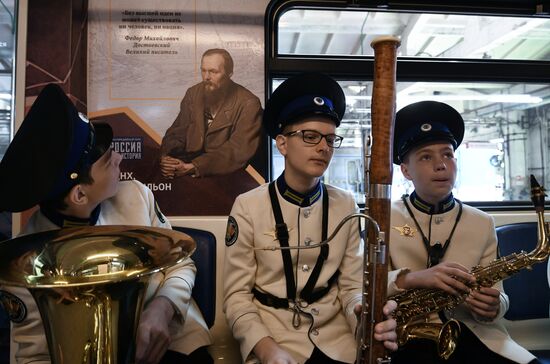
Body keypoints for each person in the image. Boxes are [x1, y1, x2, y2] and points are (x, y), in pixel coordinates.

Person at [0, 84, 213, 364]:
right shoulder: (25, 264)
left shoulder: (136, 195)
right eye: (107, 161)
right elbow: (35, 355)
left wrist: (162, 307)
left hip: (172, 342)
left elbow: (181, 263)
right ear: (79, 194)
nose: (119, 158)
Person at [223, 72, 398, 364]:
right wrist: (266, 348)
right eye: (310, 136)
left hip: (336, 338)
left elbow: (352, 288)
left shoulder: (345, 204)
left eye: (330, 139)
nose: (323, 147)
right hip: (273, 337)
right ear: (282, 144)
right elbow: (236, 297)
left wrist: (363, 323)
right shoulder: (248, 206)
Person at [387, 100, 537, 364]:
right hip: (406, 335)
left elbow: (499, 294)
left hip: (474, 332)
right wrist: (414, 278)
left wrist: (494, 306)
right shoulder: (384, 217)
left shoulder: (481, 221)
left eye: (448, 154)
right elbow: (365, 287)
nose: (441, 165)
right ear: (406, 170)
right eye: (426, 156)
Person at [159, 48, 263, 178]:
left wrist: (195, 166)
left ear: (229, 73)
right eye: (203, 70)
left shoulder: (249, 103)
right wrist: (167, 158)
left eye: (214, 72)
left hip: (228, 176)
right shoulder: (193, 93)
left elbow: (237, 150)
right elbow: (177, 132)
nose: (206, 77)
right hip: (188, 168)